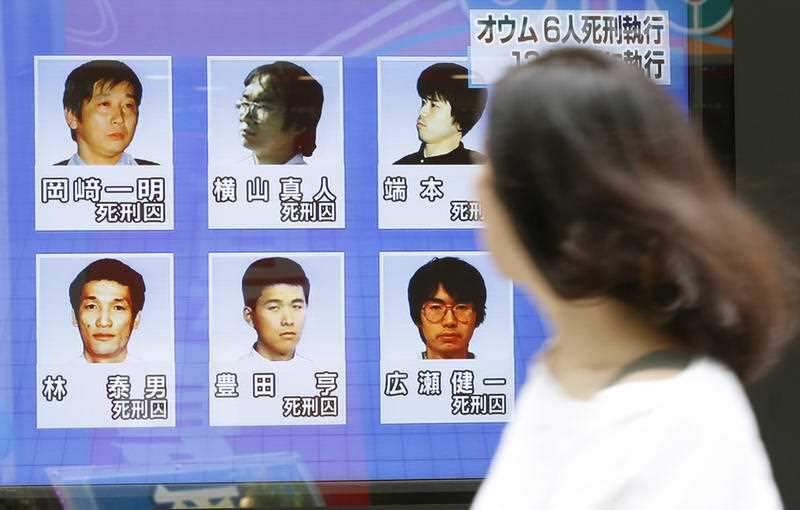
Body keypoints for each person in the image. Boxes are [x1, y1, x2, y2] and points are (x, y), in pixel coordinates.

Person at [472, 48, 799, 509]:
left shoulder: (676, 421)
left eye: (493, 166)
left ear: (549, 204)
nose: (478, 186)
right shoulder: (563, 377)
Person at [57, 60, 157, 166]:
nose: (119, 119)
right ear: (72, 116)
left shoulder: (157, 175)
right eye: (105, 104)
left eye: (128, 105)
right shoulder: (52, 176)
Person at [394, 63, 487, 165]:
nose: (422, 112)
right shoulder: (402, 166)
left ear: (461, 120)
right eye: (423, 103)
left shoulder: (480, 167)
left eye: (434, 105)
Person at [238, 61, 324, 165]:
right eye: (245, 103)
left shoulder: (310, 179)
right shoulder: (230, 174)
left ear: (298, 124)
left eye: (262, 106)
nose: (245, 116)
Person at [407, 257, 487, 359]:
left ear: (477, 314)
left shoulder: (493, 373)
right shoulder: (403, 371)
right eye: (436, 308)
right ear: (417, 316)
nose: (450, 321)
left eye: (461, 307)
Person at [69, 258, 146, 363]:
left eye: (118, 308)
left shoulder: (149, 374)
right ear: (75, 317)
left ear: (136, 319)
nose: (103, 322)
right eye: (91, 307)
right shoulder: (58, 375)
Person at [241, 257, 312, 362]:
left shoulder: (316, 371)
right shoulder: (235, 371)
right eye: (274, 308)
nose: (288, 321)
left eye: (296, 306)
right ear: (249, 317)